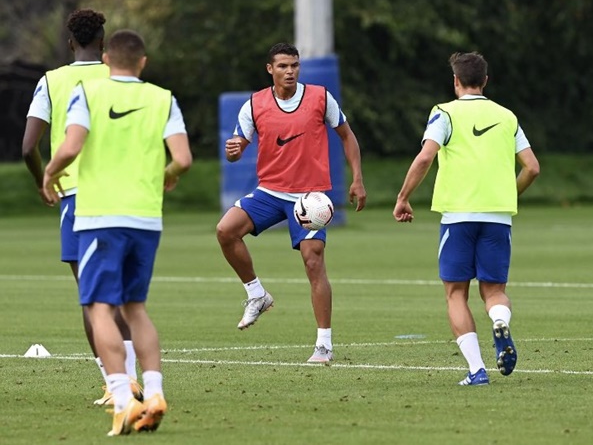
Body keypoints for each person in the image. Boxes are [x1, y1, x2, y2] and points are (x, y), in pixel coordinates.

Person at [42, 29, 192, 435]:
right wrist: (168, 175)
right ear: (143, 63)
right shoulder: (163, 98)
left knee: (100, 309)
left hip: (100, 217)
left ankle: (124, 400)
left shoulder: (88, 94)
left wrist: (50, 173)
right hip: (146, 217)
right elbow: (183, 158)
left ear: (107, 60)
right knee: (135, 308)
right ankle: (154, 392)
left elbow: (71, 146)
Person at [393, 52, 540, 386]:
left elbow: (425, 157)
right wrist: (510, 194)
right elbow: (532, 167)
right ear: (485, 81)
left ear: (456, 81)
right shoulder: (506, 116)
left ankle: (477, 370)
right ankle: (500, 321)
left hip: (458, 215)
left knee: (456, 293)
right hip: (498, 216)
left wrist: (403, 197)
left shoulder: (444, 113)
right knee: (494, 291)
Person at [216, 42, 367, 363]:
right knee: (225, 231)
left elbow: (346, 135)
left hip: (309, 197)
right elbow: (237, 147)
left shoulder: (320, 97)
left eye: (294, 65)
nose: (290, 71)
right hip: (270, 192)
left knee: (313, 262)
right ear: (270, 69)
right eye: (283, 66)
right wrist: (234, 151)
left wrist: (357, 178)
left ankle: (324, 345)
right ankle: (256, 294)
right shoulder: (254, 104)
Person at [21, 8, 142, 406]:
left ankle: (115, 384)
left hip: (77, 197)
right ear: (103, 42)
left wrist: (43, 180)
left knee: (93, 297)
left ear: (70, 42)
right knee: (120, 293)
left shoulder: (51, 81)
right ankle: (132, 380)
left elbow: (28, 146)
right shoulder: (121, 77)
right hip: (122, 197)